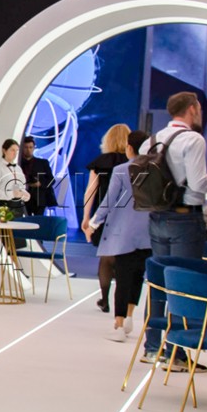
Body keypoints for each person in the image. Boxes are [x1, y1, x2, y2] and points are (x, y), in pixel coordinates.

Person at [139, 94, 207, 367]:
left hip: (157, 216)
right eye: (199, 108)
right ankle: (176, 352)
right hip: (185, 219)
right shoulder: (193, 139)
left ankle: (152, 347)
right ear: (192, 109)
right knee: (183, 284)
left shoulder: (150, 141)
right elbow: (199, 183)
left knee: (158, 281)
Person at [88, 129, 151, 341]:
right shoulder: (155, 170)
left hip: (124, 232)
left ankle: (119, 323)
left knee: (123, 276)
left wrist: (94, 222)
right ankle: (130, 315)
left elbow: (109, 200)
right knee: (138, 275)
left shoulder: (122, 170)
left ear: (129, 148)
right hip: (148, 232)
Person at [78, 122, 132, 312]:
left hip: (105, 214)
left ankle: (105, 299)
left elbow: (90, 192)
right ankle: (122, 301)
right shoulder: (132, 163)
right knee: (125, 259)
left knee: (106, 257)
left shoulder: (101, 162)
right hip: (128, 215)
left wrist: (86, 217)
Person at [19, 136, 56, 215]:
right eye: (26, 147)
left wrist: (40, 184)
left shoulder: (43, 163)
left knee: (39, 220)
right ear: (22, 148)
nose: (28, 150)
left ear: (34, 148)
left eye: (30, 147)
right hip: (22, 198)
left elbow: (52, 180)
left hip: (39, 199)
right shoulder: (18, 164)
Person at [0, 139, 29, 217]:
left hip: (18, 206)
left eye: (16, 151)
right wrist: (12, 194)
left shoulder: (18, 168)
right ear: (4, 151)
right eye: (12, 150)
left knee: (20, 224)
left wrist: (24, 194)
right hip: (3, 205)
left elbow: (21, 185)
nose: (15, 153)